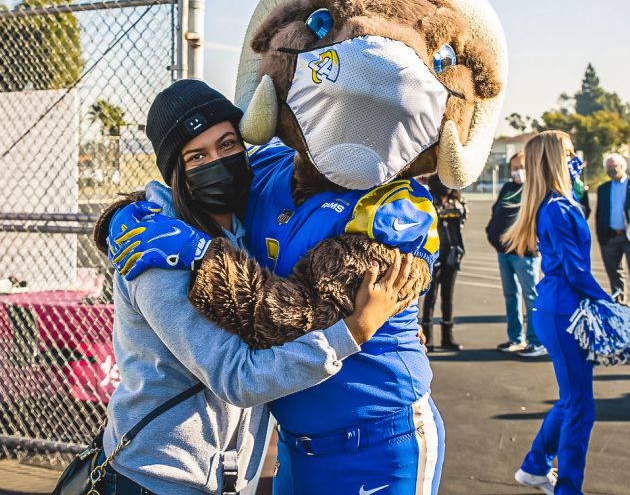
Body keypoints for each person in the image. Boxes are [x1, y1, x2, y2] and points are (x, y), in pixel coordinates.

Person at [95, 79, 417, 495]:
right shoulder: (155, 252)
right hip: (161, 477)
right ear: (176, 170)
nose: (218, 161)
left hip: (225, 477)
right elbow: (238, 378)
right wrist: (352, 332)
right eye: (197, 155)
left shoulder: (239, 223)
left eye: (228, 144)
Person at [505, 131, 614, 495]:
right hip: (564, 308)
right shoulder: (557, 208)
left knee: (574, 400)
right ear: (554, 159)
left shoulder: (556, 203)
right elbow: (575, 270)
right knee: (581, 405)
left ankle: (535, 465)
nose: (576, 157)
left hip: (560, 306)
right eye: (569, 153)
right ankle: (567, 486)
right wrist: (609, 302)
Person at [487, 151, 546, 357]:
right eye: (514, 168)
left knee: (531, 296)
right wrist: (492, 234)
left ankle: (536, 341)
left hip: (525, 254)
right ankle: (516, 338)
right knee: (511, 295)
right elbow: (497, 213)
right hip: (504, 252)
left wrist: (532, 243)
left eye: (522, 167)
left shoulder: (536, 191)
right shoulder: (508, 188)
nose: (518, 171)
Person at [594, 153, 630, 322]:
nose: (612, 170)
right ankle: (620, 307)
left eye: (615, 166)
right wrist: (601, 235)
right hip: (610, 237)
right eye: (609, 167)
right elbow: (599, 214)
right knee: (614, 273)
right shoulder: (603, 189)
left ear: (623, 166)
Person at [422, 174, 466, 351]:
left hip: (452, 254)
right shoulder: (428, 202)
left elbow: (460, 225)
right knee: (430, 297)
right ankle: (429, 339)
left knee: (448, 297)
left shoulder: (458, 203)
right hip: (433, 255)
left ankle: (448, 338)